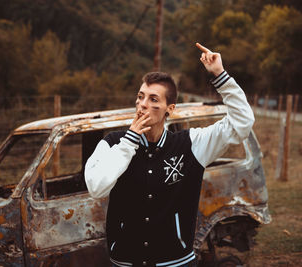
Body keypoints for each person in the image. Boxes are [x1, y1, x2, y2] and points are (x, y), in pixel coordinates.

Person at [84, 43, 255, 267]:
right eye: (140, 96)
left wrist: (220, 75)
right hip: (126, 261)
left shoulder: (191, 144)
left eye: (153, 99)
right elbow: (96, 187)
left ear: (170, 109)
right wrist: (130, 141)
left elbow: (243, 122)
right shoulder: (113, 143)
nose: (143, 105)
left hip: (176, 262)